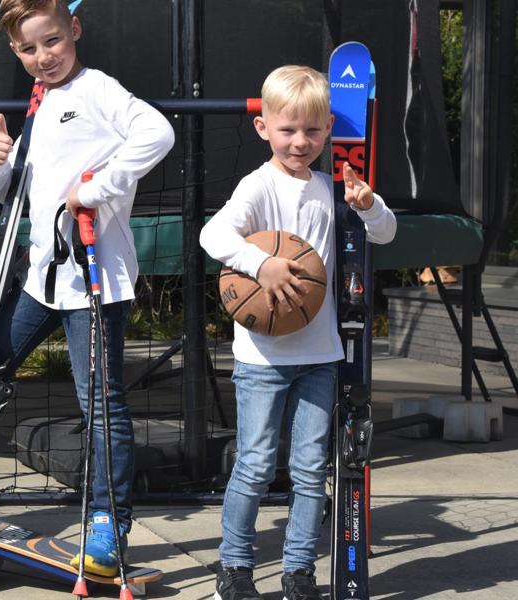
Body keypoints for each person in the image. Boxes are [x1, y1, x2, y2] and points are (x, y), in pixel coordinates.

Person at [0, 0, 174, 577]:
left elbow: (158, 132)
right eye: (29, 48)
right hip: (44, 280)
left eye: (52, 42)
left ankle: (106, 526)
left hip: (94, 278)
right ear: (15, 51)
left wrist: (99, 185)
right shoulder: (41, 102)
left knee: (99, 402)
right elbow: (11, 191)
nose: (43, 57)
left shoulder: (96, 88)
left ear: (74, 30)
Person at [199, 65, 396, 600]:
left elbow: (386, 231)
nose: (300, 141)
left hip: (319, 354)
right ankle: (234, 570)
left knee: (311, 471)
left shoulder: (334, 189)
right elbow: (212, 233)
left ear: (329, 128)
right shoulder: (257, 186)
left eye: (312, 130)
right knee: (257, 464)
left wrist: (368, 205)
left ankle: (299, 574)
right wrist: (260, 265)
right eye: (288, 130)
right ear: (264, 128)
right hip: (262, 357)